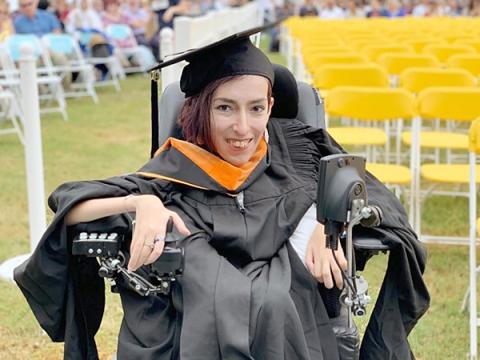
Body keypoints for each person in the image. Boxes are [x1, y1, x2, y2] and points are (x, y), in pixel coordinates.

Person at [14, 26, 429, 360]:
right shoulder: (176, 169)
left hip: (294, 307)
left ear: (270, 105)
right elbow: (70, 206)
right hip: (195, 320)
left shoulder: (300, 149)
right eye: (225, 107)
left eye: (256, 108)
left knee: (273, 301)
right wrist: (141, 202)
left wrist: (328, 219)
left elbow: (370, 193)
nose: (243, 129)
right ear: (198, 110)